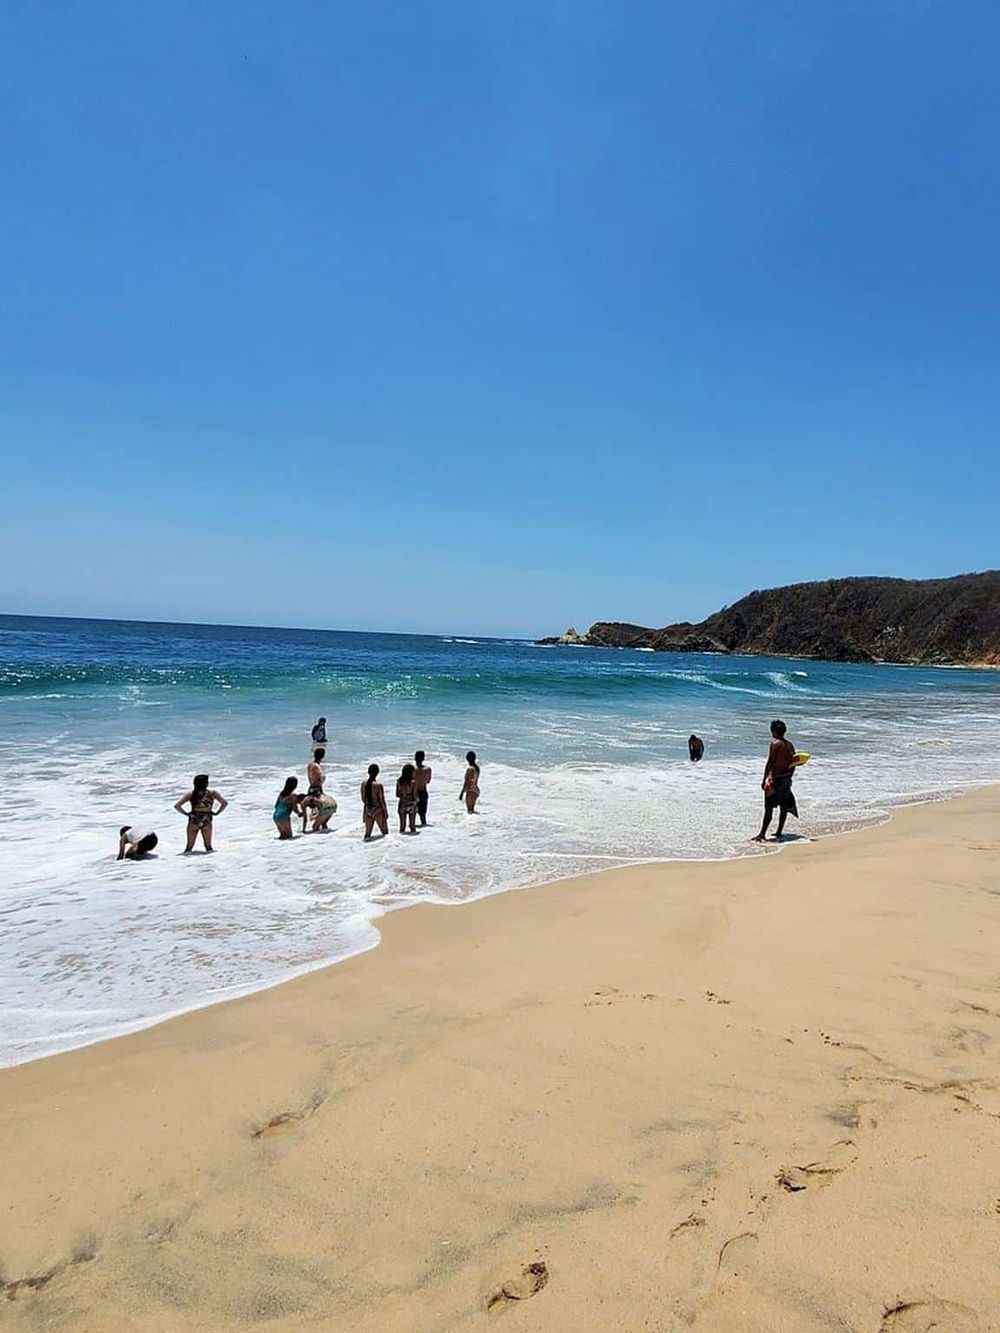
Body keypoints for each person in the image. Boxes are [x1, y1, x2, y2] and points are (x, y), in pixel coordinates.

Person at [752, 719, 799, 842]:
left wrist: (765, 778)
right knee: (783, 807)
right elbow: (793, 763)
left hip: (776, 780)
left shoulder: (775, 743)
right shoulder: (790, 745)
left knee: (768, 808)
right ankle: (779, 831)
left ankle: (762, 834)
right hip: (785, 779)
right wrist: (790, 778)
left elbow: (770, 762)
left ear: (773, 730)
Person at [174, 774, 228, 853]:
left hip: (193, 820)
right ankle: (212, 864)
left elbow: (177, 806)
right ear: (206, 783)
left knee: (188, 848)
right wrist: (217, 813)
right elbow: (225, 803)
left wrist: (186, 814)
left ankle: (185, 863)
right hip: (206, 820)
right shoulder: (212, 793)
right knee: (209, 848)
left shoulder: (191, 794)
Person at [301, 747, 337, 832]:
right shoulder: (316, 766)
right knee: (331, 806)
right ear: (323, 756)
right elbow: (320, 779)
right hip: (316, 790)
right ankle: (317, 825)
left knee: (326, 807)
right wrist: (323, 778)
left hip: (312, 788)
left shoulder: (311, 764)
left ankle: (322, 824)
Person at [361, 763, 388, 840]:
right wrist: (385, 812)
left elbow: (363, 798)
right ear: (377, 773)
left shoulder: (363, 784)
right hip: (377, 810)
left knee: (367, 835)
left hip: (368, 809)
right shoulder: (378, 785)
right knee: (385, 834)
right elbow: (382, 801)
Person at [396, 763, 419, 835]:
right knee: (412, 826)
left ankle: (401, 842)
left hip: (402, 803)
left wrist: (404, 795)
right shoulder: (413, 782)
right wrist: (417, 800)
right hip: (411, 804)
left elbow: (397, 794)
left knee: (402, 827)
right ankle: (411, 844)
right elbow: (415, 796)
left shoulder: (399, 782)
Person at [414, 750, 432, 826]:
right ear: (423, 758)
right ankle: (424, 826)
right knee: (423, 814)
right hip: (423, 791)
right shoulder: (428, 769)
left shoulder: (412, 769)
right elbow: (428, 781)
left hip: (414, 792)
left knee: (412, 813)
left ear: (415, 758)